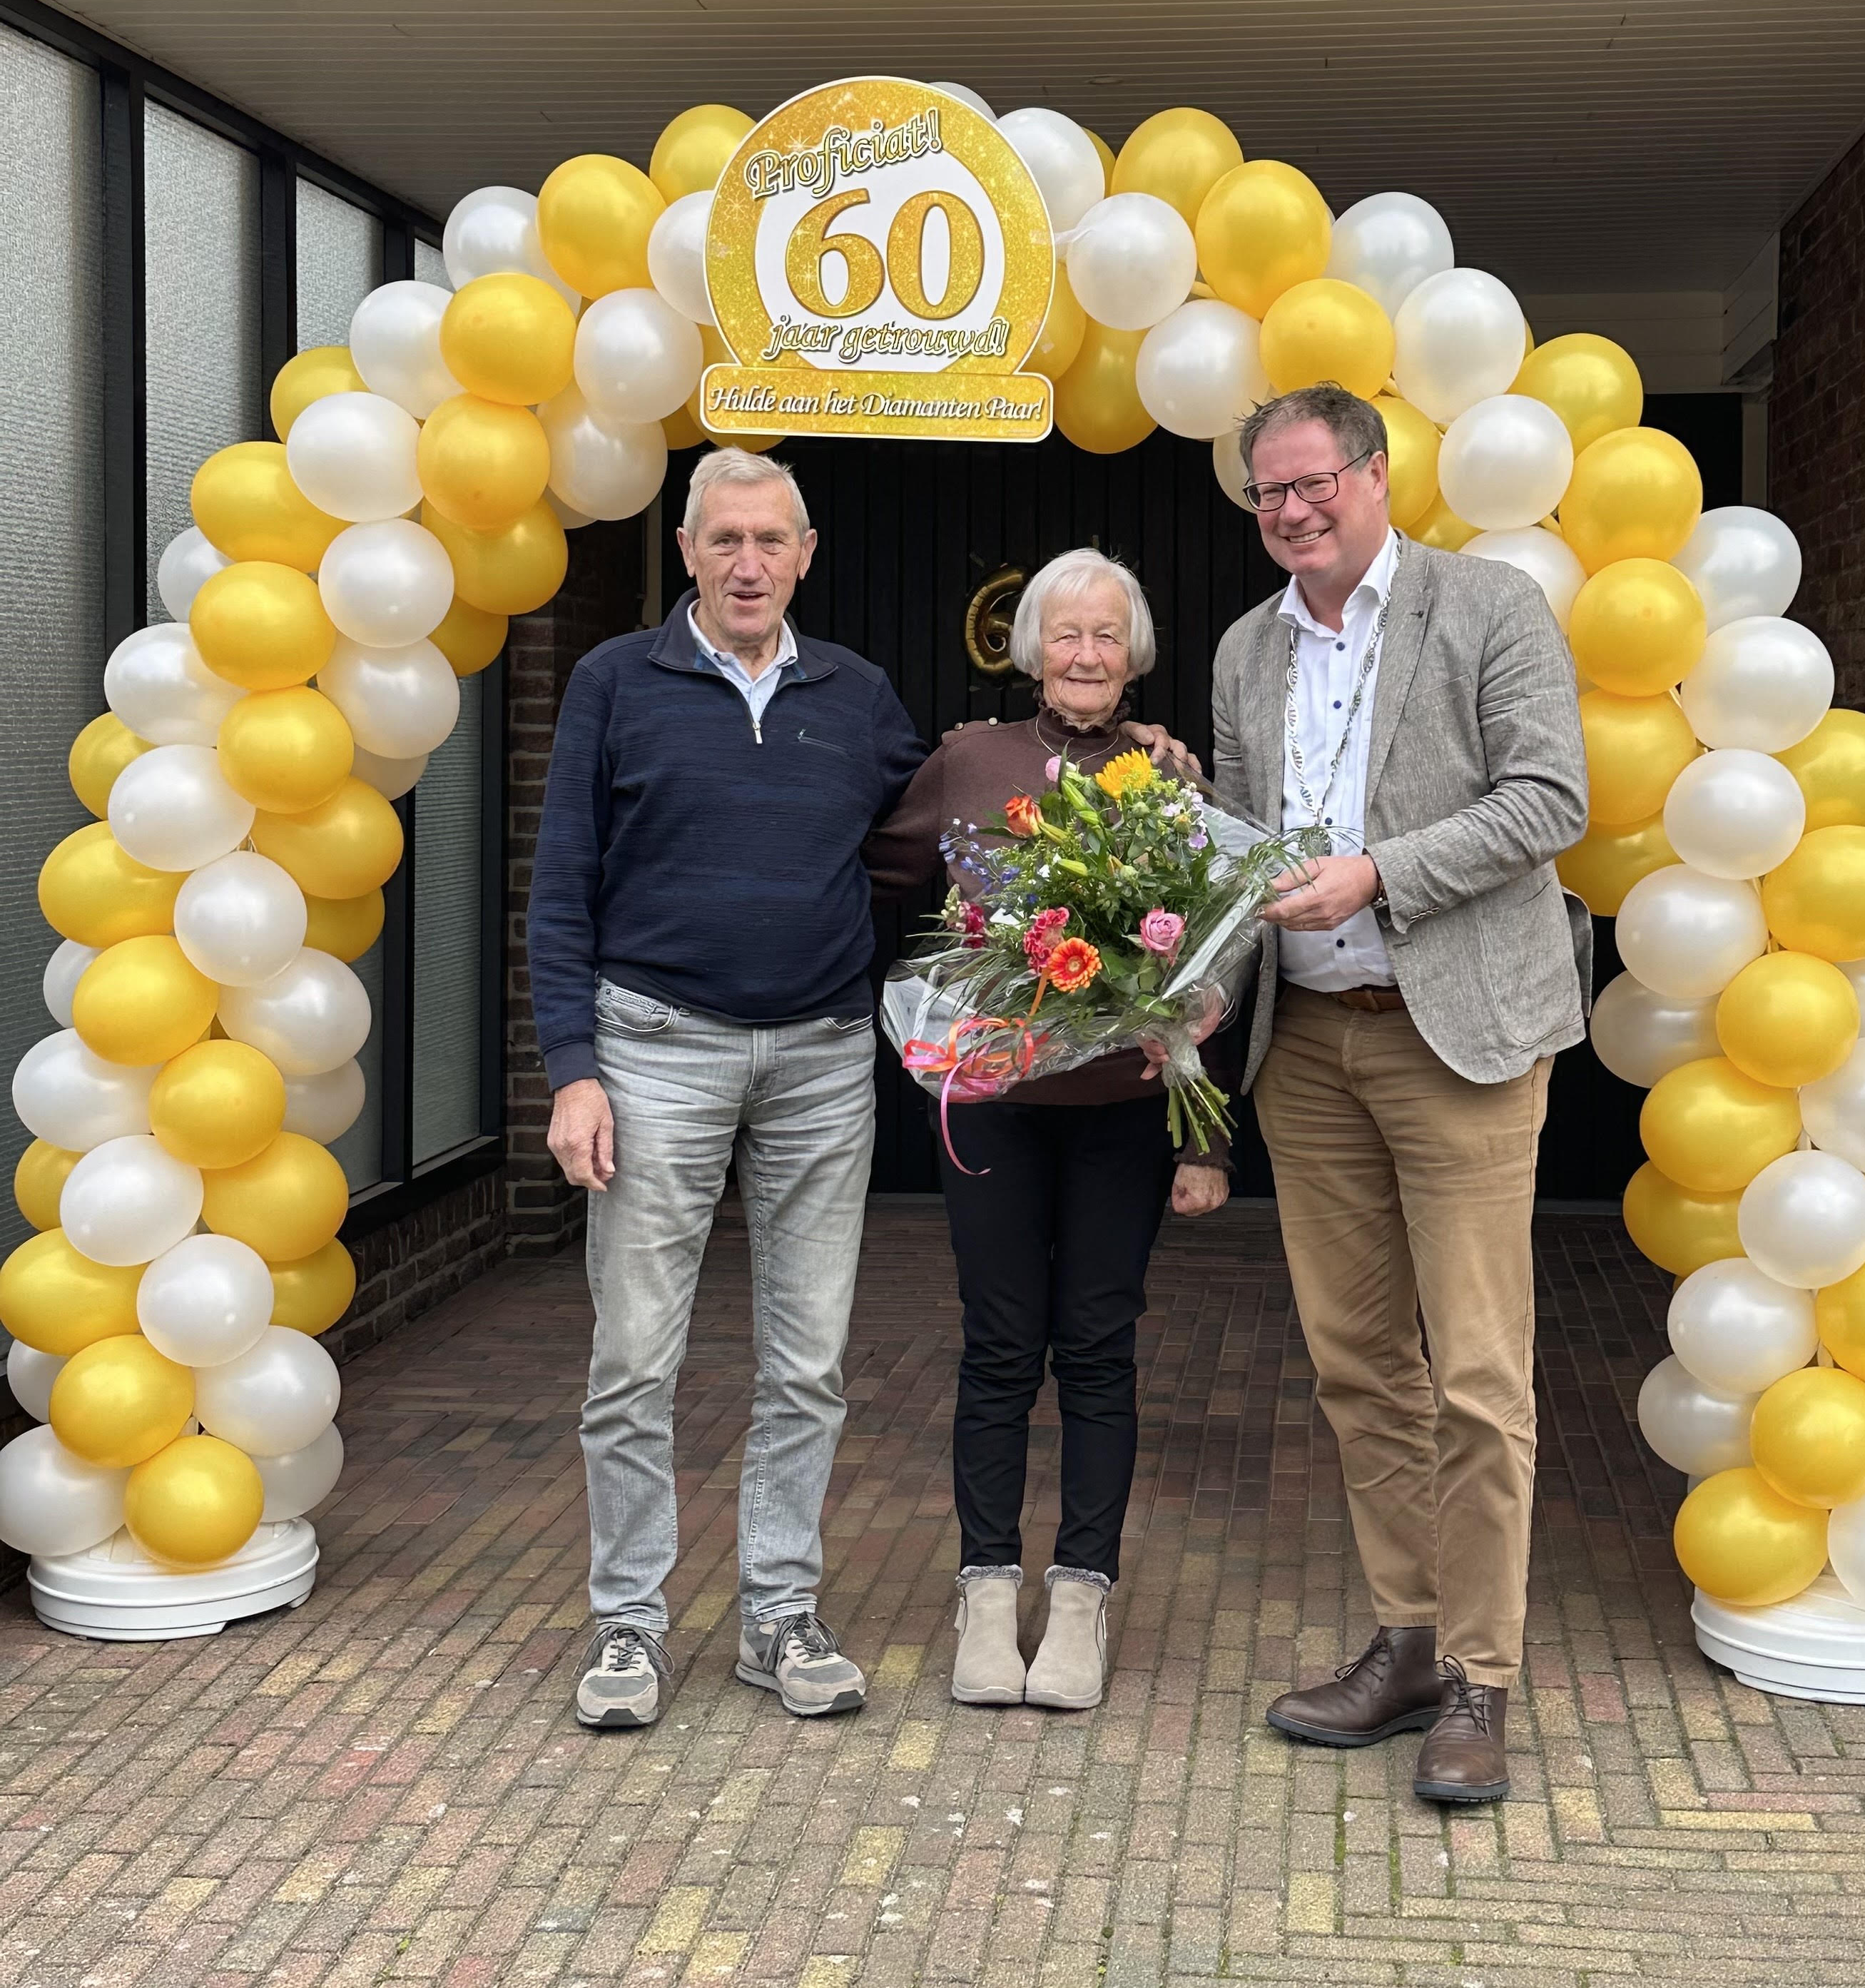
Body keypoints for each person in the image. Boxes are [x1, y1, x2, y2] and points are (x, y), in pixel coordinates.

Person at [533, 450, 1199, 1731]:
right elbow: (561, 885)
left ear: (808, 551)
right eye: (723, 538)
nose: (746, 563)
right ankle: (628, 1622)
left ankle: (780, 1610)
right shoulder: (616, 683)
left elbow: (965, 821)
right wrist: (573, 1069)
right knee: (633, 1356)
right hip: (655, 1047)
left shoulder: (858, 695)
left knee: (806, 1361)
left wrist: (1140, 754)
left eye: (769, 541)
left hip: (822, 1060)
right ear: (685, 549)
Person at [1209, 384, 1590, 1803]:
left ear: (1377, 474)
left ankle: (1485, 1683)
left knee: (1481, 1379)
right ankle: (1412, 1642)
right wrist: (1199, 961)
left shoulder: (1486, 607)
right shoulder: (1248, 648)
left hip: (1463, 1041)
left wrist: (1382, 872)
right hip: (1305, 1045)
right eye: (1268, 495)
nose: (1292, 513)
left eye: (1313, 484)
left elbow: (1553, 797)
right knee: (1362, 1366)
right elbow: (1249, 849)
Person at [865, 549, 1230, 1713]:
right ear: (1033, 647)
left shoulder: (1166, 775)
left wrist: (1209, 1137)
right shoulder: (967, 761)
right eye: (1066, 634)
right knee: (998, 1346)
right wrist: (929, 1005)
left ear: (1134, 655)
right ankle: (984, 1590)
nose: (1085, 655)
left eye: (1107, 636)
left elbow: (1224, 953)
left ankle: (1080, 1596)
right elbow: (883, 886)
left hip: (1123, 1105)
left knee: (1100, 1347)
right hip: (993, 1110)